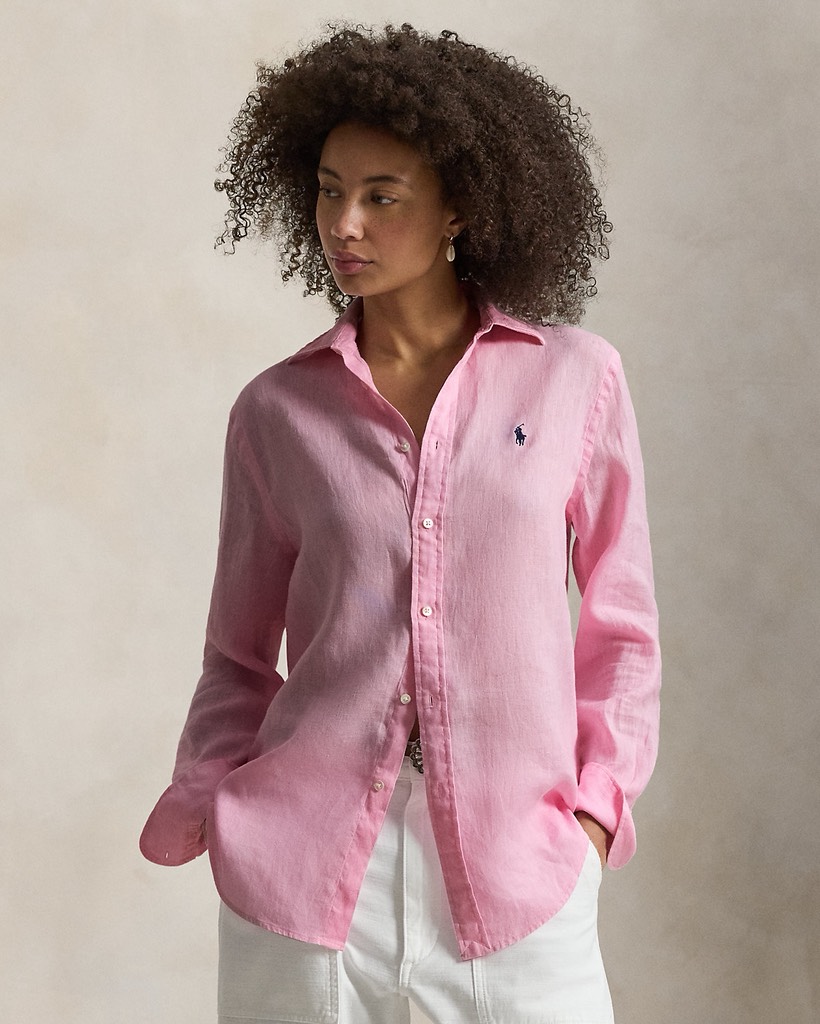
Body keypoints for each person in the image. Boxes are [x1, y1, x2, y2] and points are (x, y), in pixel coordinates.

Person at [140, 23, 661, 1024]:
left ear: (459, 206)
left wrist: (595, 816)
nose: (345, 224)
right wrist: (214, 800)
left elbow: (622, 628)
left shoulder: (576, 379)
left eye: (382, 196)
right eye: (330, 190)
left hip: (518, 868)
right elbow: (237, 656)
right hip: (303, 875)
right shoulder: (276, 411)